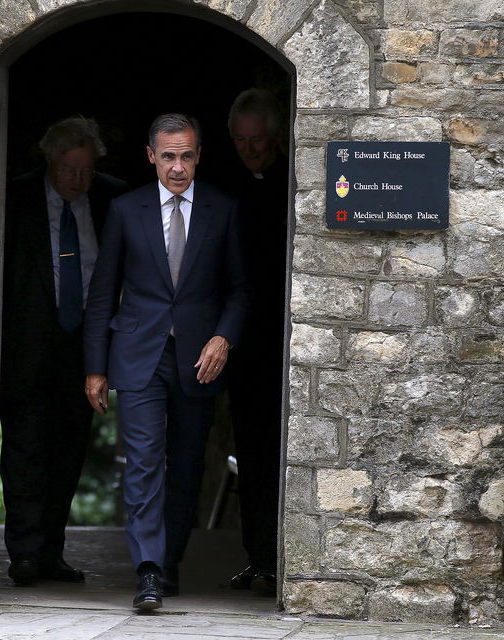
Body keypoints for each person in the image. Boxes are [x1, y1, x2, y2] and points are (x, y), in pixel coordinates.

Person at [84, 114, 249, 610]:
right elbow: (102, 292)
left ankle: (169, 561)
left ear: (199, 155)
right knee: (143, 463)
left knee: (186, 467)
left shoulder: (223, 208)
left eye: (188, 156)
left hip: (199, 359)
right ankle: (149, 571)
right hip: (137, 357)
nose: (178, 167)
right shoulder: (124, 209)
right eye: (169, 156)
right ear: (151, 155)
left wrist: (223, 337)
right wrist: (96, 366)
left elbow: (241, 289)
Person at [0, 117, 127, 586]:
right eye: (68, 170)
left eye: (85, 172)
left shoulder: (115, 198)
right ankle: (25, 554)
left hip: (85, 349)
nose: (77, 180)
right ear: (50, 161)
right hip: (28, 344)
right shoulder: (14, 196)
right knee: (24, 451)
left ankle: (51, 551)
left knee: (68, 453)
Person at [217, 88, 289, 592]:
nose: (250, 151)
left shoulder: (293, 181)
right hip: (245, 345)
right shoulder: (224, 187)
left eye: (258, 140)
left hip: (287, 339)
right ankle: (260, 556)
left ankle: (288, 559)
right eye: (241, 141)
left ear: (277, 135)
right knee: (253, 454)